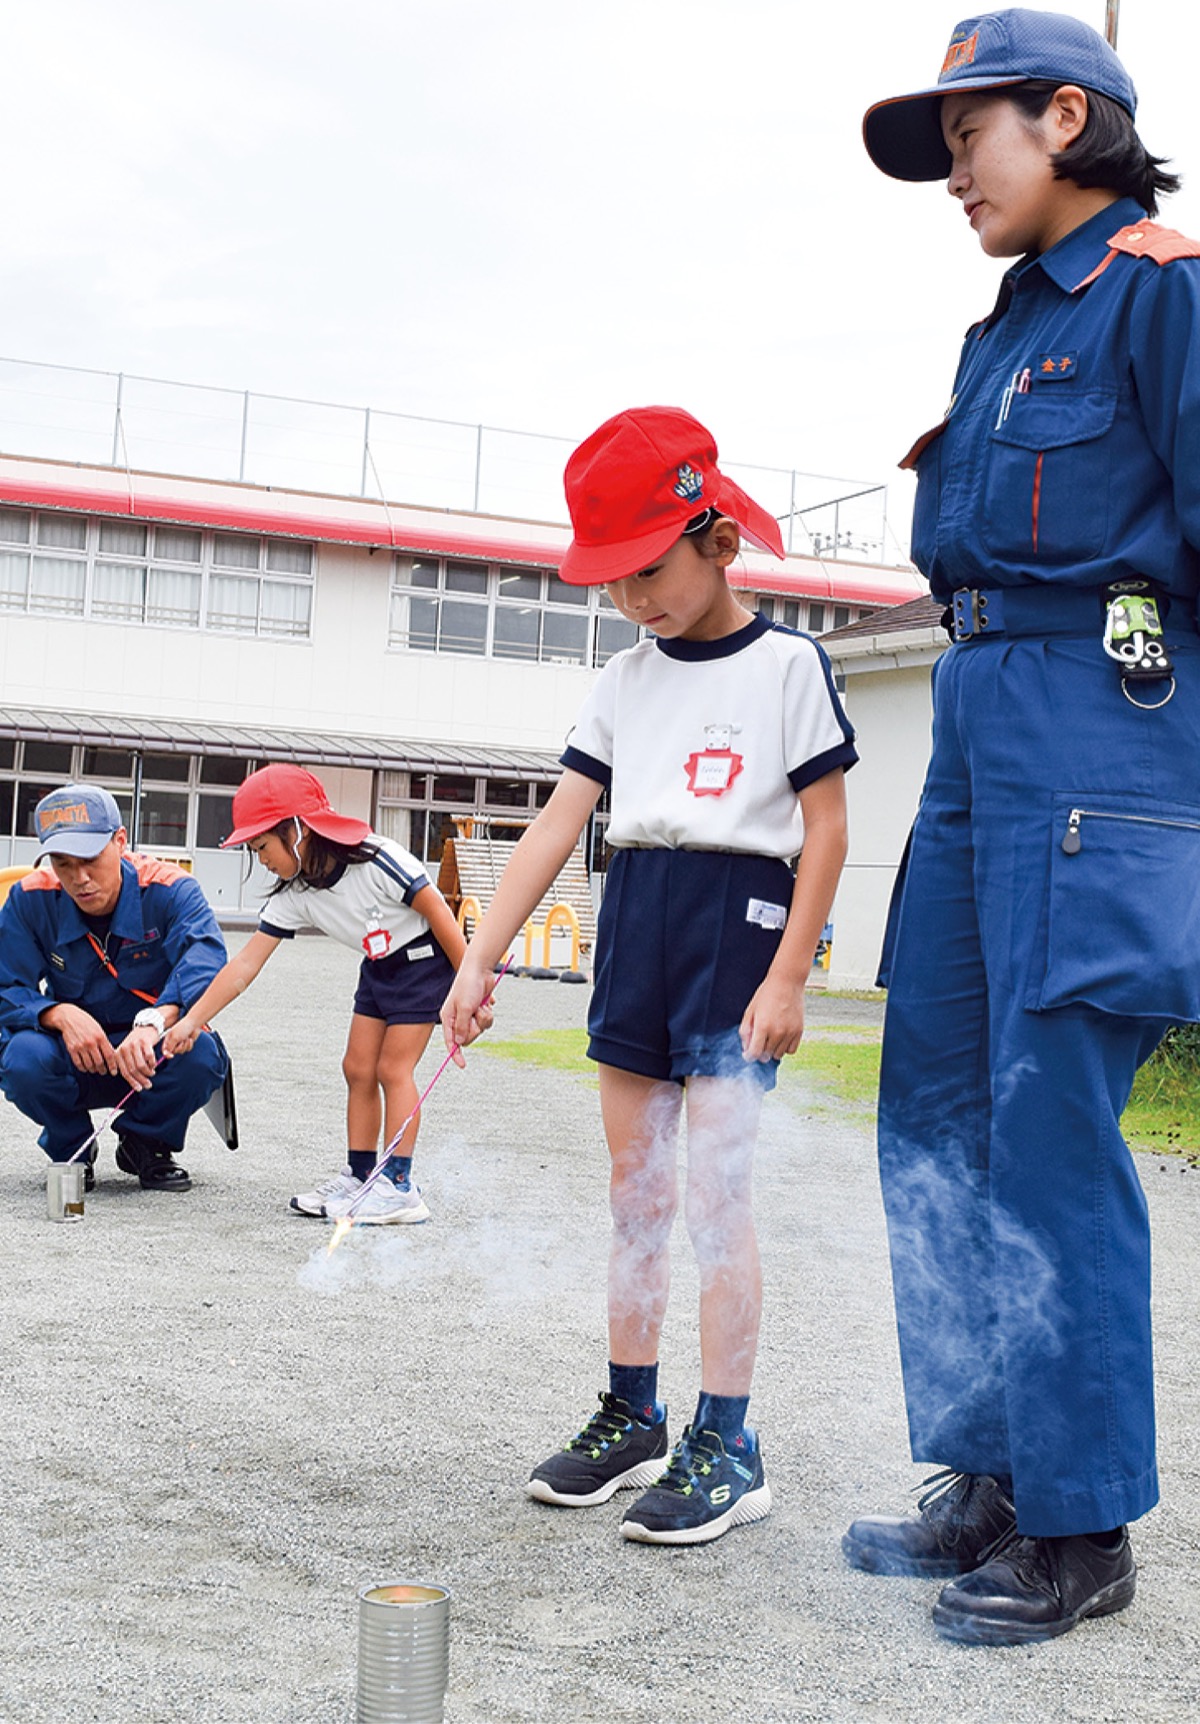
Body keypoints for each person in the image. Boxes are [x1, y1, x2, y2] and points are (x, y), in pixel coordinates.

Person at [845, 7, 1200, 1646]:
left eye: (966, 138)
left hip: (1100, 734)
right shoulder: (1001, 333)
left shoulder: (1166, 291)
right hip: (982, 731)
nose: (950, 180)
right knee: (932, 1106)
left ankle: (1081, 1520)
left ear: (1069, 116)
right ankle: (987, 1467)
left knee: (1049, 1123)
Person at [442, 406, 855, 1545]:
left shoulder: (788, 664)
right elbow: (557, 824)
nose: (633, 601)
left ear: (715, 539)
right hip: (639, 916)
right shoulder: (624, 678)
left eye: (649, 571)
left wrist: (787, 979)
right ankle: (633, 1411)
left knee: (717, 1198)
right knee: (638, 1191)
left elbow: (825, 831)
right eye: (612, 582)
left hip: (741, 924)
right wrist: (477, 957)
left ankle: (730, 1438)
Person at [163, 764, 466, 1224]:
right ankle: (361, 1175)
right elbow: (244, 966)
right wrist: (190, 1021)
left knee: (392, 1067)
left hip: (425, 963)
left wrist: (470, 988)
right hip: (379, 967)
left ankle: (399, 1187)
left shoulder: (378, 860)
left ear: (298, 830)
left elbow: (440, 913)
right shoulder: (295, 894)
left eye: (262, 846)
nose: (259, 858)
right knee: (357, 1066)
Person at [0, 784, 228, 1191]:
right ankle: (73, 1148)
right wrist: (57, 1014)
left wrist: (157, 1021)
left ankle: (145, 1142)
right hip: (74, 1052)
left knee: (202, 1056)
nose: (79, 878)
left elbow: (206, 962)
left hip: (149, 1053)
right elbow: (5, 985)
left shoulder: (172, 889)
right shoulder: (30, 897)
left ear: (120, 841)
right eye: (62, 862)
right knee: (21, 1059)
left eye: (90, 859)